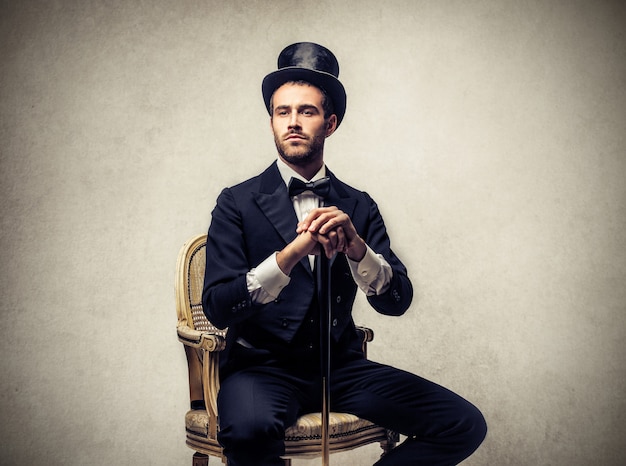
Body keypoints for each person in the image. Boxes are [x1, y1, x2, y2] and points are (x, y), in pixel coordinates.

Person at [202, 42, 487, 466]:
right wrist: (292, 254)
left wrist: (358, 248)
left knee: (462, 423)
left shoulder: (358, 205)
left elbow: (397, 301)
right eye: (283, 112)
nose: (293, 122)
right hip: (261, 369)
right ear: (271, 122)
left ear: (330, 123)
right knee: (249, 430)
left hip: (340, 369)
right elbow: (219, 307)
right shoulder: (236, 202)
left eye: (307, 111)